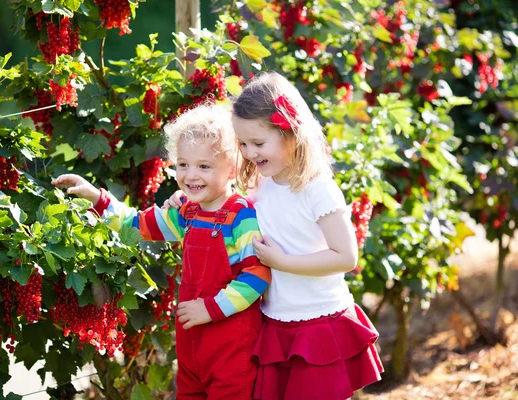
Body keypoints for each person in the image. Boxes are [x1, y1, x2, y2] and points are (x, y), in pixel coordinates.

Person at [163, 72, 383, 400]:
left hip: (317, 321)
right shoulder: (262, 181)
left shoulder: (317, 189)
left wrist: (283, 262)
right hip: (276, 322)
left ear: (290, 133)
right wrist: (186, 200)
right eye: (243, 144)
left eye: (258, 143)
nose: (249, 153)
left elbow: (346, 257)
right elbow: (222, 200)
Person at [52, 104, 270, 400]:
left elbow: (257, 275)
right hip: (192, 342)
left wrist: (210, 308)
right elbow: (138, 224)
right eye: (183, 164)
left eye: (204, 166)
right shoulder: (186, 213)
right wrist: (98, 199)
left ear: (231, 168)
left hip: (230, 345)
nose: (191, 175)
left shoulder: (240, 216)